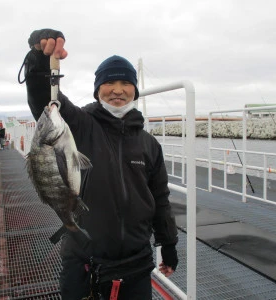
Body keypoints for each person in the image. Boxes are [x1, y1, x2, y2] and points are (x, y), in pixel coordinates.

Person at [20, 28, 178, 300]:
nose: (118, 90)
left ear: (135, 90)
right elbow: (45, 101)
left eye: (126, 83)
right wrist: (37, 60)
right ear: (97, 90)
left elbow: (160, 198)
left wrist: (169, 243)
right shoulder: (80, 125)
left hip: (137, 264)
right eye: (109, 83)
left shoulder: (149, 144)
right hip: (84, 263)